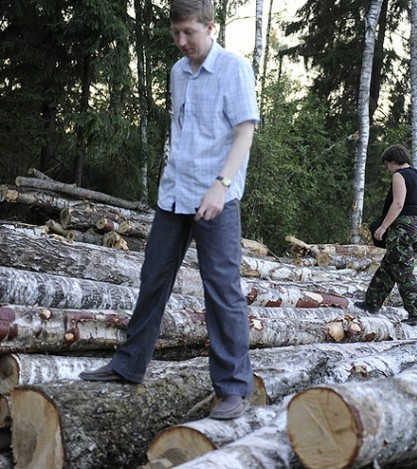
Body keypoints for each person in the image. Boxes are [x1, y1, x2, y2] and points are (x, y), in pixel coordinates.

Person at [80, 0, 259, 421]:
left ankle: (233, 389)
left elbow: (244, 134)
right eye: (176, 33)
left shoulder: (233, 68)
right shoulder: (178, 73)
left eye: (189, 33)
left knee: (222, 290)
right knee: (153, 277)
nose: (181, 42)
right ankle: (129, 365)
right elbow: (182, 134)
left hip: (217, 198)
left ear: (210, 28)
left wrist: (222, 185)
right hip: (174, 195)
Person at [355, 144, 417, 324]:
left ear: (392, 161)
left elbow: (398, 203)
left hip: (404, 228)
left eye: (387, 164)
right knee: (390, 264)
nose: (387, 169)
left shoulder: (399, 175)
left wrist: (383, 227)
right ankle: (371, 303)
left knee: (402, 270)